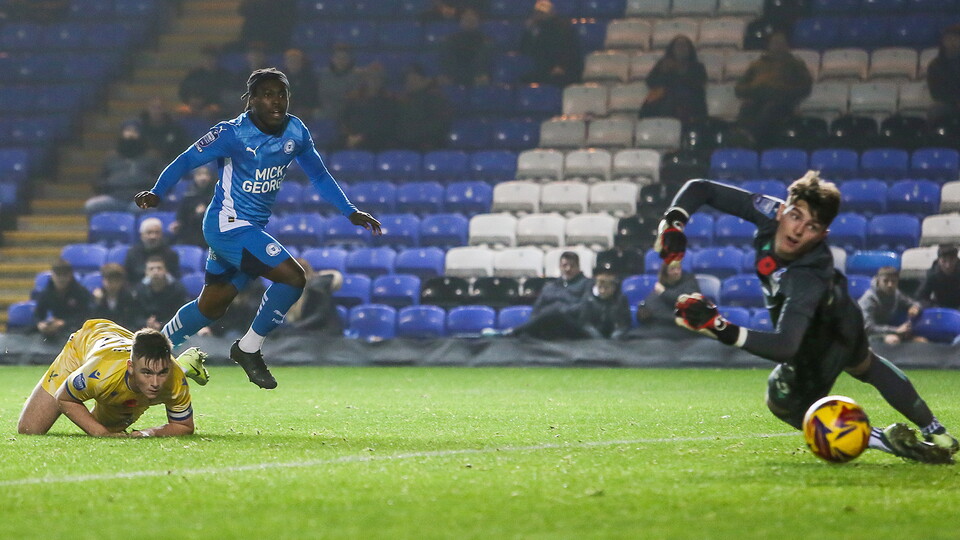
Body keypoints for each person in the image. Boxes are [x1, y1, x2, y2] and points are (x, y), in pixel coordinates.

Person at [656, 171, 958, 464]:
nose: (798, 230)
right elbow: (702, 187)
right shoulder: (769, 211)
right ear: (782, 210)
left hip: (823, 332)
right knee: (866, 365)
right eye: (796, 216)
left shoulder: (808, 273)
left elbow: (786, 346)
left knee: (782, 401)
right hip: (844, 313)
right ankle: (936, 431)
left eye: (812, 226)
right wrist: (674, 223)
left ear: (822, 235)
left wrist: (719, 327)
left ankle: (876, 438)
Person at [134, 67, 382, 389]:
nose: (276, 101)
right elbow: (185, 160)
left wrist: (350, 211)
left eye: (282, 94)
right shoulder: (231, 133)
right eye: (267, 95)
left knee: (211, 306)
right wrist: (157, 191)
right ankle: (248, 348)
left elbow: (319, 175)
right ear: (251, 100)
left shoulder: (296, 131)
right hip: (227, 226)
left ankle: (153, 350)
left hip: (247, 229)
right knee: (293, 278)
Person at [17, 320, 206, 436]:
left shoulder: (174, 378)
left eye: (162, 373)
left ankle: (183, 365)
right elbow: (64, 397)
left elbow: (183, 426)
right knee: (29, 429)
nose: (155, 383)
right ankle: (183, 364)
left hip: (124, 346)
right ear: (131, 367)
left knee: (110, 427)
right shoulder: (100, 373)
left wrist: (148, 433)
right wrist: (100, 433)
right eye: (147, 373)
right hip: (85, 344)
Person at [489, 252, 594, 339]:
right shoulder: (550, 286)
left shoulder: (587, 283)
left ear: (578, 267)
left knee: (555, 310)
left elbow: (583, 306)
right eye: (565, 265)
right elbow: (537, 309)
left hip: (572, 324)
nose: (568, 269)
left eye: (572, 265)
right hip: (548, 324)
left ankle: (511, 332)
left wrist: (562, 310)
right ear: (560, 267)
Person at [734, 31, 812, 144]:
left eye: (781, 43)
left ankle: (752, 138)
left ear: (787, 46)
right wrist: (756, 90)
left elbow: (805, 87)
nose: (778, 46)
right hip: (758, 98)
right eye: (775, 43)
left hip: (782, 102)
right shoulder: (757, 65)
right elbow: (739, 88)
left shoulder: (795, 64)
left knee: (771, 108)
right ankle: (740, 136)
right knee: (747, 107)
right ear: (769, 45)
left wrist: (782, 92)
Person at [85, 121, 162, 214]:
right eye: (128, 130)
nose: (131, 134)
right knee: (91, 206)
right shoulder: (111, 158)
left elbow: (160, 180)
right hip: (115, 197)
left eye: (135, 131)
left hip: (140, 198)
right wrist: (111, 183)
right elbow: (98, 180)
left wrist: (143, 182)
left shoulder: (152, 157)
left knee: (142, 208)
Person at [639, 35, 708, 125]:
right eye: (678, 46)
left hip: (690, 104)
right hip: (666, 103)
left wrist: (679, 74)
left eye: (684, 46)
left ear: (690, 49)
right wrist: (664, 72)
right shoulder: (663, 65)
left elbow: (699, 83)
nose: (681, 49)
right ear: (672, 49)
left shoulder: (697, 67)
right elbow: (650, 82)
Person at [519, 0, 582, 87]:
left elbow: (569, 49)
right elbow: (525, 49)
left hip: (563, 68)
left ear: (552, 12)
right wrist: (529, 32)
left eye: (542, 13)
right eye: (537, 13)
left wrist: (561, 66)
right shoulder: (535, 28)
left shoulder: (563, 28)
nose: (539, 16)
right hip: (543, 68)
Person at [858, 266, 925, 346]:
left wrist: (915, 308)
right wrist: (895, 330)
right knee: (893, 340)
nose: (890, 285)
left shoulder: (896, 294)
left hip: (887, 331)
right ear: (878, 281)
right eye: (885, 281)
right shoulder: (869, 299)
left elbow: (914, 303)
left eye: (893, 281)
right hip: (865, 335)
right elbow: (868, 328)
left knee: (921, 341)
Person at [337, 65, 399, 151]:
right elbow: (343, 119)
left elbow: (386, 125)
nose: (373, 81)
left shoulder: (388, 100)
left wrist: (362, 137)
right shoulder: (353, 98)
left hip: (377, 141)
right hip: (351, 138)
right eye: (371, 77)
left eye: (377, 78)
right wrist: (348, 136)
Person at [635, 261, 701, 339]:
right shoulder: (662, 286)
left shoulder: (689, 282)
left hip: (680, 329)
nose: (676, 272)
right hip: (658, 327)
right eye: (672, 269)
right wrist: (643, 310)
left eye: (678, 268)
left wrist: (663, 292)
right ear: (665, 273)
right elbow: (649, 303)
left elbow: (685, 301)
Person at [396, 64, 452, 151]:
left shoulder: (435, 99)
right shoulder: (402, 101)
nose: (410, 82)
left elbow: (439, 124)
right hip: (405, 145)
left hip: (428, 146)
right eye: (407, 80)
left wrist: (418, 136)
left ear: (423, 80)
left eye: (414, 79)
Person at [282, 258, 344, 336]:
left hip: (325, 334)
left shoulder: (317, 288)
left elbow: (319, 316)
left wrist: (293, 327)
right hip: (306, 333)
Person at [33, 259, 91, 342]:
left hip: (76, 330)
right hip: (55, 329)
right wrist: (40, 324)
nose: (61, 279)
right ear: (52, 275)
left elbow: (86, 315)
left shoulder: (81, 292)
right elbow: (38, 312)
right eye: (58, 275)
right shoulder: (47, 292)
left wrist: (64, 323)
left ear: (70, 275)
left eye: (64, 275)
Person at [133, 256, 189, 331]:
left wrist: (162, 325)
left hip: (172, 330)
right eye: (151, 269)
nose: (155, 272)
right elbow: (135, 315)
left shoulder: (177, 289)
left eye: (159, 268)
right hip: (144, 329)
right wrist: (146, 323)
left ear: (166, 270)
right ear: (146, 272)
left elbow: (181, 314)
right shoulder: (139, 290)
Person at [439, 8, 492, 87]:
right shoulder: (451, 40)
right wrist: (448, 75)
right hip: (455, 75)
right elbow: (448, 60)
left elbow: (485, 61)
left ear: (478, 22)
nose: (469, 21)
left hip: (477, 76)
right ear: (461, 22)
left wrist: (484, 75)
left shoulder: (486, 41)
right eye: (466, 19)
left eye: (472, 19)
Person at [178, 45, 229, 120]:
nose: (209, 61)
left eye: (212, 58)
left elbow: (226, 94)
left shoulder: (224, 75)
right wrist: (190, 104)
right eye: (206, 58)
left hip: (217, 110)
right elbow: (184, 91)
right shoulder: (193, 75)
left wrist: (214, 106)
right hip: (193, 108)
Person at [171, 165, 217, 248]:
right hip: (191, 233)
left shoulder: (217, 194)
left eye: (206, 174)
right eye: (199, 175)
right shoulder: (189, 195)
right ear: (194, 177)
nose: (203, 178)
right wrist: (178, 222)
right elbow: (182, 215)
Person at [578, 270, 632, 339]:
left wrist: (614, 338)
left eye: (606, 288)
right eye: (600, 287)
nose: (602, 291)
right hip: (595, 338)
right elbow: (585, 323)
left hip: (616, 338)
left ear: (614, 288)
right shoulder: (589, 299)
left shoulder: (621, 300)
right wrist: (598, 338)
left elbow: (624, 324)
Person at [124, 217, 180, 283]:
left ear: (161, 235)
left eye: (157, 232)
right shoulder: (132, 254)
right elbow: (128, 279)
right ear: (141, 235)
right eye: (149, 232)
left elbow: (173, 280)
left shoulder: (171, 255)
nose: (153, 236)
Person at [316, 44, 364, 121]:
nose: (341, 61)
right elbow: (323, 95)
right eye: (338, 58)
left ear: (349, 59)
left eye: (344, 58)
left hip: (349, 111)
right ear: (332, 59)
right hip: (328, 109)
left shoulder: (357, 75)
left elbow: (354, 95)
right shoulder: (325, 74)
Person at [926, 24, 960, 124]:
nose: (953, 42)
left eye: (956, 38)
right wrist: (956, 101)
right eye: (949, 38)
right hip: (948, 104)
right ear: (943, 41)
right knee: (935, 111)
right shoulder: (935, 65)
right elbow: (936, 92)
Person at [90, 263, 139, 329]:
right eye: (109, 281)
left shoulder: (129, 297)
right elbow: (92, 319)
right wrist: (97, 302)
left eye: (116, 281)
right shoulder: (97, 296)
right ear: (103, 281)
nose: (113, 285)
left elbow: (132, 320)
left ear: (121, 282)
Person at [139, 96, 188, 161]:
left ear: (165, 110)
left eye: (159, 108)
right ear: (148, 109)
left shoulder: (175, 129)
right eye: (153, 107)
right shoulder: (140, 128)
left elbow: (181, 149)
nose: (156, 111)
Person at [915, 244, 960, 310]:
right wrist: (933, 307)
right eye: (944, 261)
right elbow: (921, 297)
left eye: (952, 260)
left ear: (956, 260)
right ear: (939, 260)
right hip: (939, 306)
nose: (948, 265)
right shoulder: (933, 274)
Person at [281, 48, 319, 118]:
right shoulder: (280, 78)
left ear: (301, 62)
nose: (293, 63)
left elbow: (312, 95)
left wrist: (307, 108)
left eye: (296, 61)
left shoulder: (309, 77)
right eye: (290, 61)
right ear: (286, 63)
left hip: (307, 108)